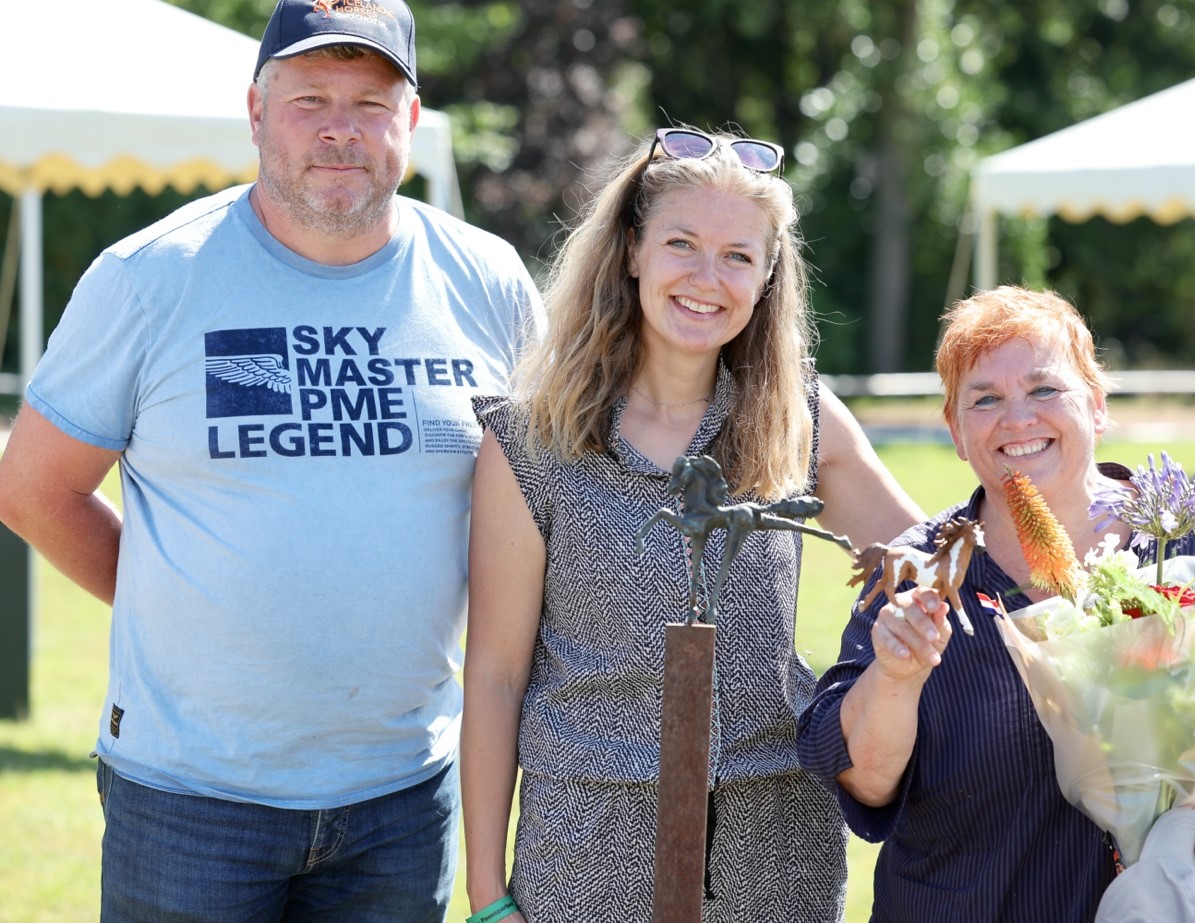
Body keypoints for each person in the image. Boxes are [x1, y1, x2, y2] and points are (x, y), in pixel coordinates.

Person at [0, 1, 542, 919]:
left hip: (402, 795)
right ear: (255, 112)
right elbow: (32, 490)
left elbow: (543, 507)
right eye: (309, 98)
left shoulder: (487, 281)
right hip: (188, 799)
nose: (340, 129)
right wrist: (178, 602)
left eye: (370, 103)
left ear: (408, 122)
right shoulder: (150, 277)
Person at [459, 126, 924, 923]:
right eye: (682, 243)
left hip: (775, 853)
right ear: (633, 250)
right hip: (586, 852)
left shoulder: (799, 421)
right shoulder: (531, 441)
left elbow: (931, 560)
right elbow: (495, 678)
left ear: (768, 274)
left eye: (738, 255)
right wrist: (486, 894)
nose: (707, 278)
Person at [796, 286, 1195, 922]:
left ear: (1096, 405)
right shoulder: (917, 574)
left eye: (1044, 390)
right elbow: (860, 779)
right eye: (985, 399)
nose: (1017, 419)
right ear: (957, 433)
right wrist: (896, 680)